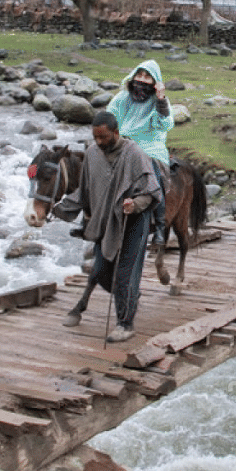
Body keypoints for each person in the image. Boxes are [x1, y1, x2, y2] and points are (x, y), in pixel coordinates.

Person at [53, 111, 161, 343]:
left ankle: (125, 324)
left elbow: (151, 192)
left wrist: (135, 204)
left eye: (103, 137)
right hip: (105, 222)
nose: (99, 142)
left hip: (133, 222)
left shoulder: (135, 154)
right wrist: (59, 209)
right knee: (100, 271)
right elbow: (84, 191)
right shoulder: (92, 154)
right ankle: (130, 298)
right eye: (95, 137)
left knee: (125, 275)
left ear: (116, 132)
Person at [106, 60, 173, 239]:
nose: (142, 80)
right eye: (139, 75)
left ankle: (160, 225)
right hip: (123, 145)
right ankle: (90, 218)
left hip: (150, 147)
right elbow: (110, 117)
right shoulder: (122, 98)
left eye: (147, 77)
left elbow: (165, 124)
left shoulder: (159, 101)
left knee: (155, 174)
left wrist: (161, 99)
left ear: (154, 82)